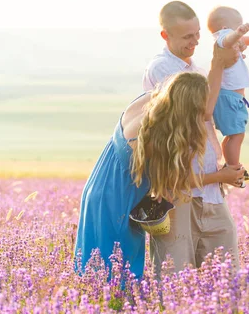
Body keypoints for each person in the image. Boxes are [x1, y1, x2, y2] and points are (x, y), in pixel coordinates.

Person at [75, 72, 212, 280]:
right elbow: (171, 184)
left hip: (98, 188)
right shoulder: (158, 133)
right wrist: (222, 176)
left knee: (94, 263)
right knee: (117, 270)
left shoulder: (147, 103)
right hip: (120, 200)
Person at [142, 1, 245, 275]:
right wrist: (218, 65)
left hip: (210, 192)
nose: (195, 41)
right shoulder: (163, 69)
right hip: (180, 198)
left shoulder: (195, 70)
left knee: (228, 277)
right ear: (166, 35)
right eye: (187, 36)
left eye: (197, 33)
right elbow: (201, 112)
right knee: (174, 280)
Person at [206, 6, 249, 185]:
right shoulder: (224, 37)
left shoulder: (230, 39)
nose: (239, 32)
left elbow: (239, 41)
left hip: (231, 98)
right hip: (229, 98)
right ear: (226, 27)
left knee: (234, 135)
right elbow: (230, 39)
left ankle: (231, 165)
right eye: (237, 26)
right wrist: (238, 32)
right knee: (237, 135)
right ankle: (233, 167)